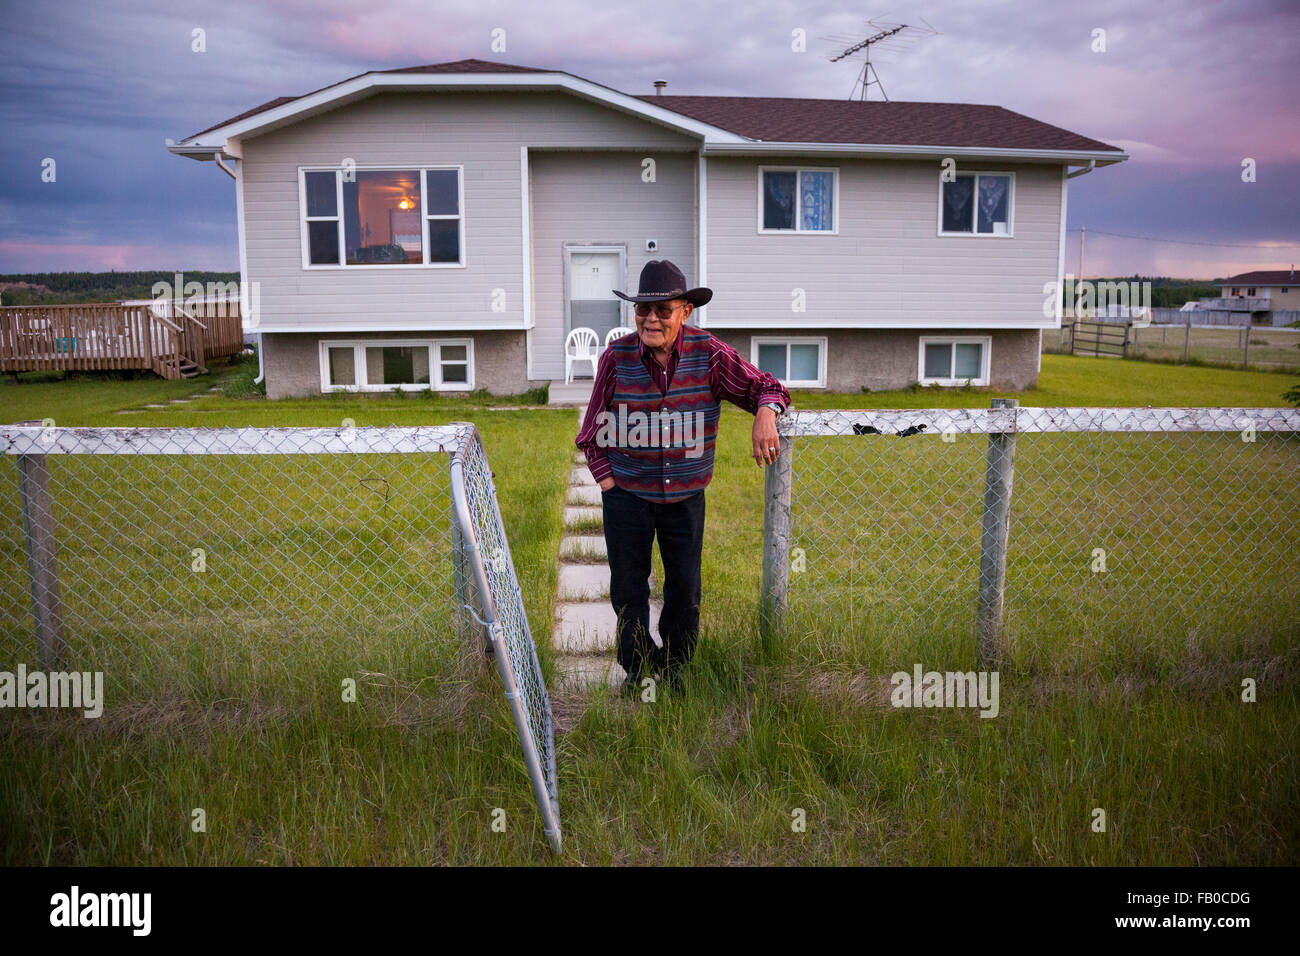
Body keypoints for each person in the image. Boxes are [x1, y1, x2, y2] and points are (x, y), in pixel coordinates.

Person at [574, 260, 790, 695]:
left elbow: (765, 385)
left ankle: (674, 672)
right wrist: (608, 484)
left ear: (685, 311)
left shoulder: (709, 354)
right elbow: (591, 434)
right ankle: (638, 671)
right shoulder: (616, 359)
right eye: (642, 310)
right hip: (627, 497)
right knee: (629, 591)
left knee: (684, 592)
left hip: (687, 499)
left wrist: (766, 412)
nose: (650, 319)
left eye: (662, 310)